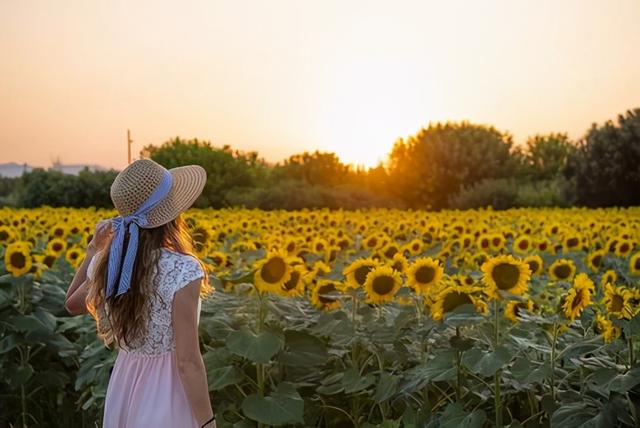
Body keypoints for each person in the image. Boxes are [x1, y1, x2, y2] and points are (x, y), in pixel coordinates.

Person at [64, 159, 216, 428]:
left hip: (124, 386)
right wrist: (207, 422)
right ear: (172, 212)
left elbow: (72, 304)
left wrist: (92, 251)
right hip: (168, 392)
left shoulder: (110, 261)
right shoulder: (182, 269)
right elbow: (188, 361)